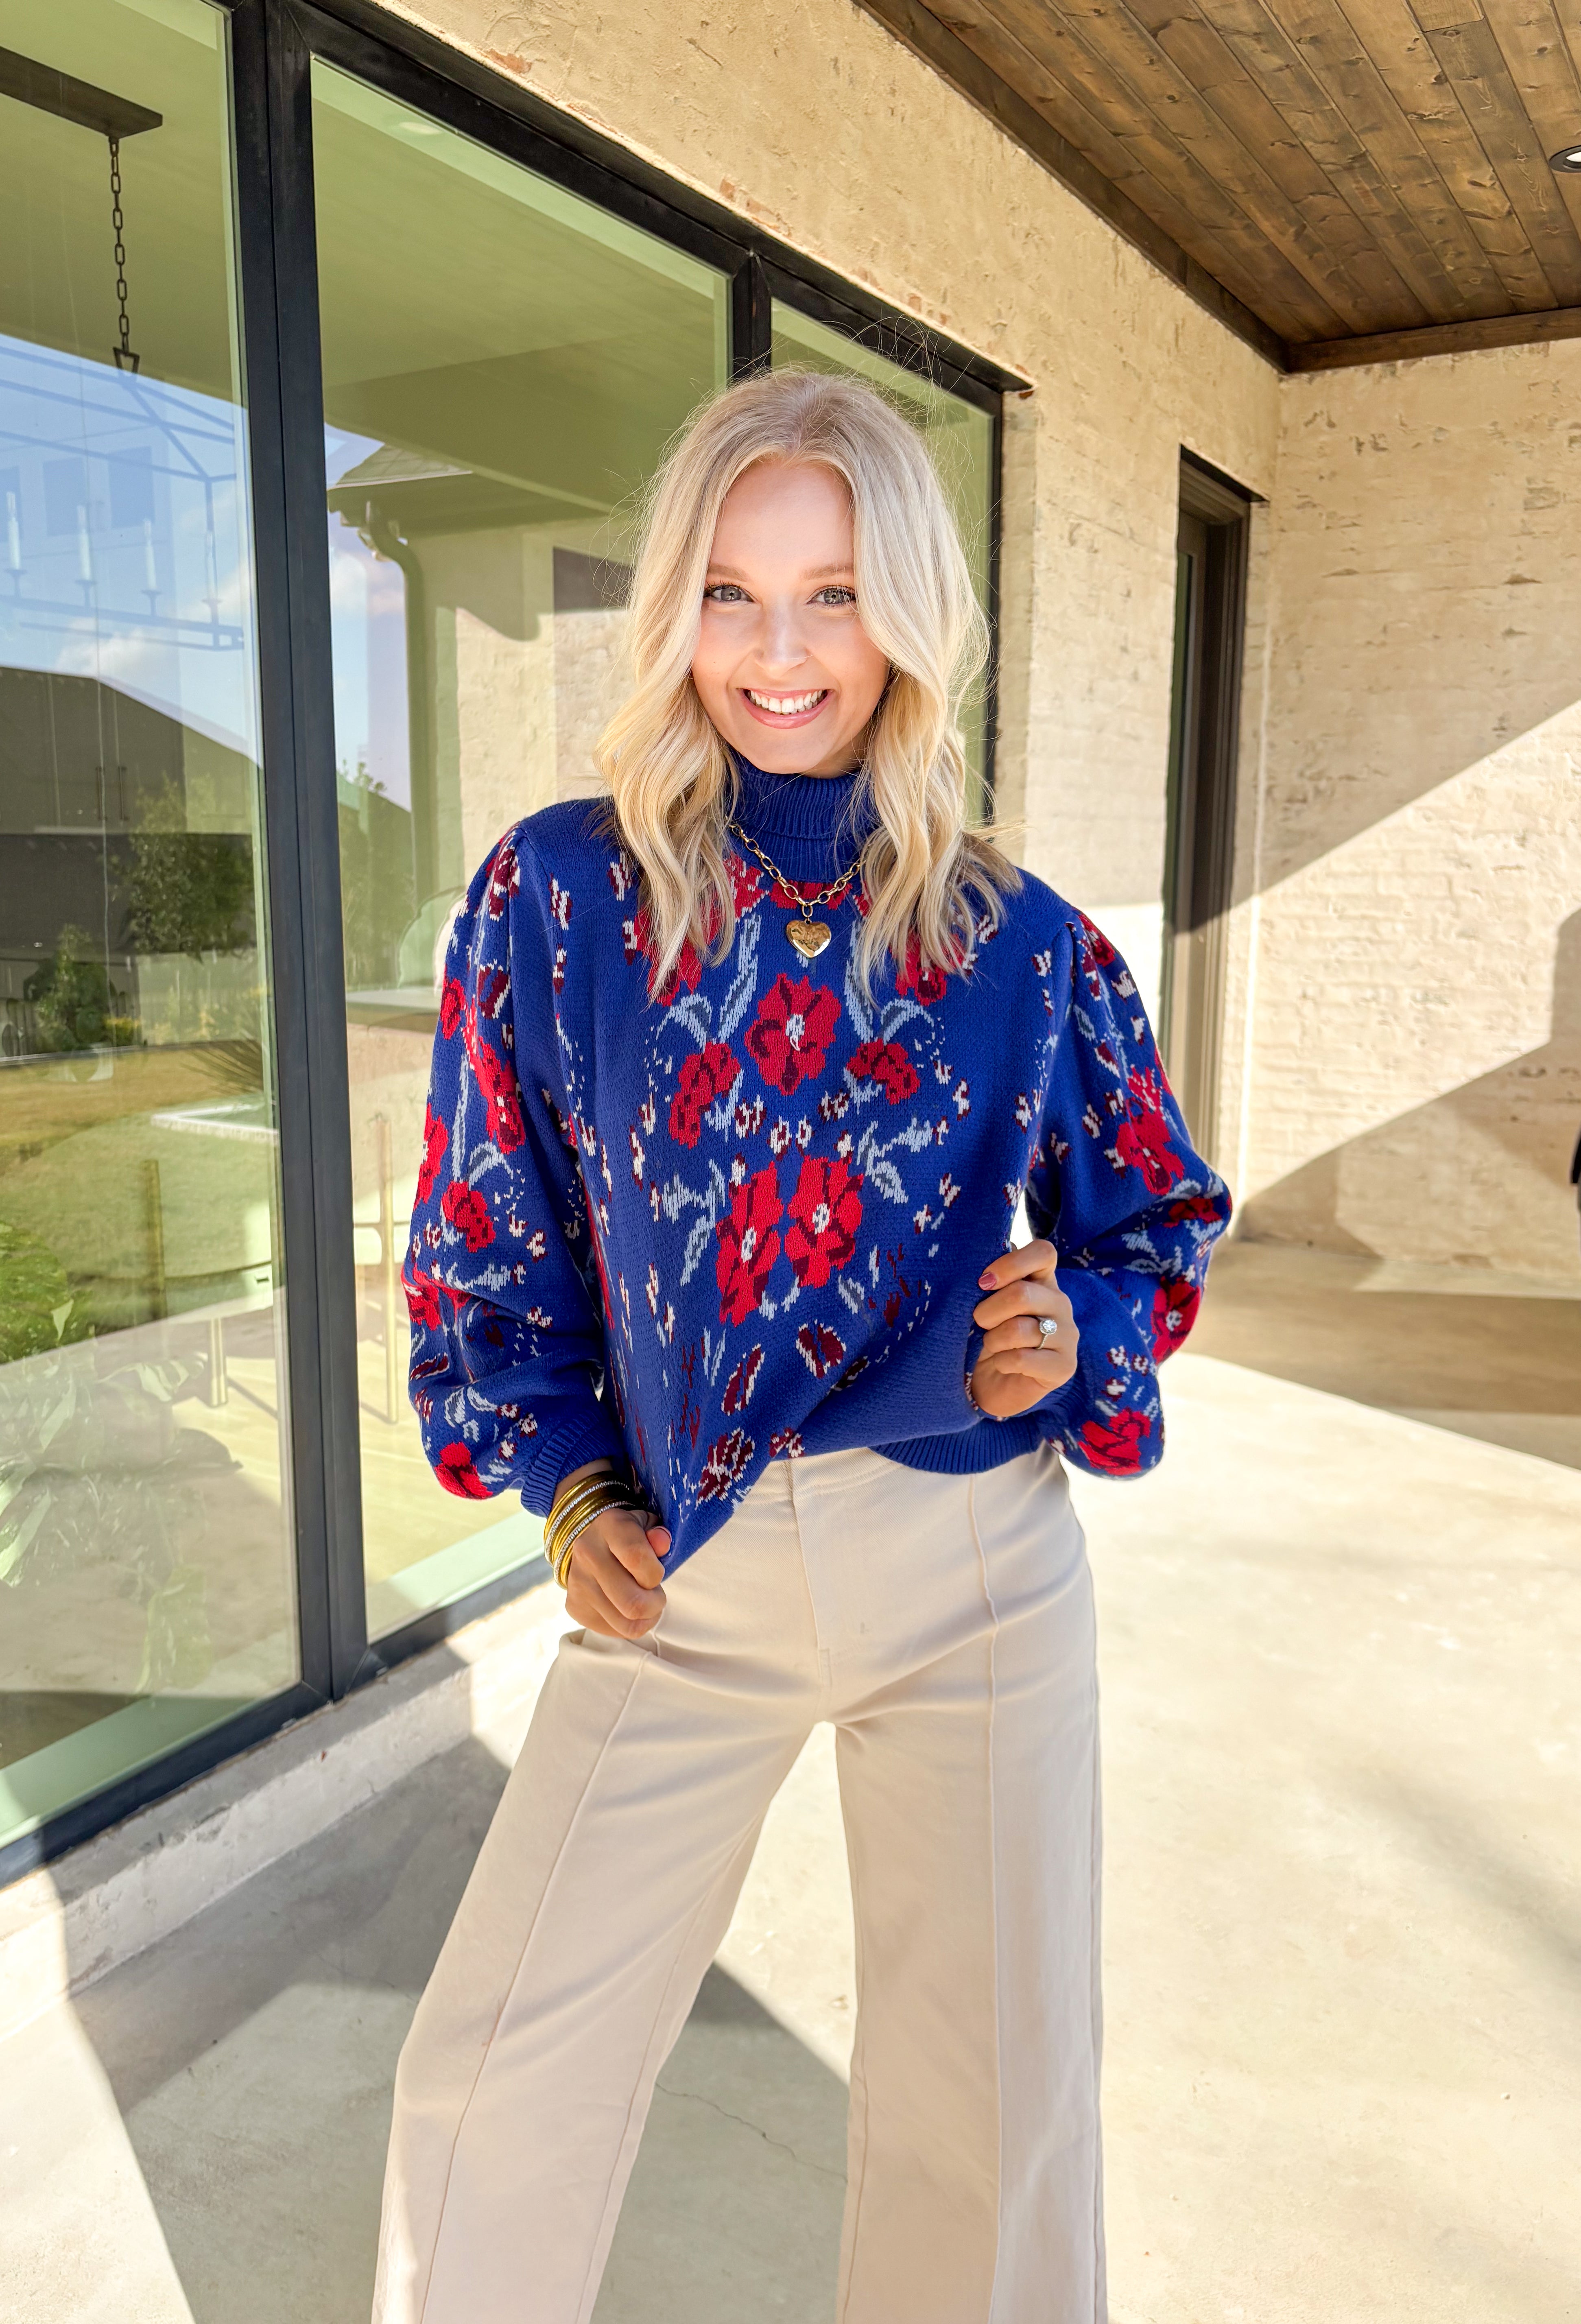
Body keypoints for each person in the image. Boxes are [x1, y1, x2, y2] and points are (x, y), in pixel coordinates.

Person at [372, 369, 1230, 2324]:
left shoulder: (1021, 939)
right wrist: (569, 1474)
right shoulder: (558, 897)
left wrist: (1074, 1331)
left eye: (835, 595)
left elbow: (1157, 1222)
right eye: (736, 592)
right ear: (676, 602)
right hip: (685, 1571)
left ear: (908, 617)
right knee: (494, 2084)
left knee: (991, 2121)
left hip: (979, 1580)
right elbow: (485, 1244)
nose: (781, 651)